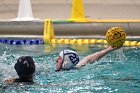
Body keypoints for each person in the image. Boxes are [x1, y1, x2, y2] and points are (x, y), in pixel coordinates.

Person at [56, 46, 120, 71]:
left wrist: (109, 49)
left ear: (65, 63)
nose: (56, 60)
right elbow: (88, 59)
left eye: (59, 58)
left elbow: (89, 59)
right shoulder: (76, 68)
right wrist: (108, 49)